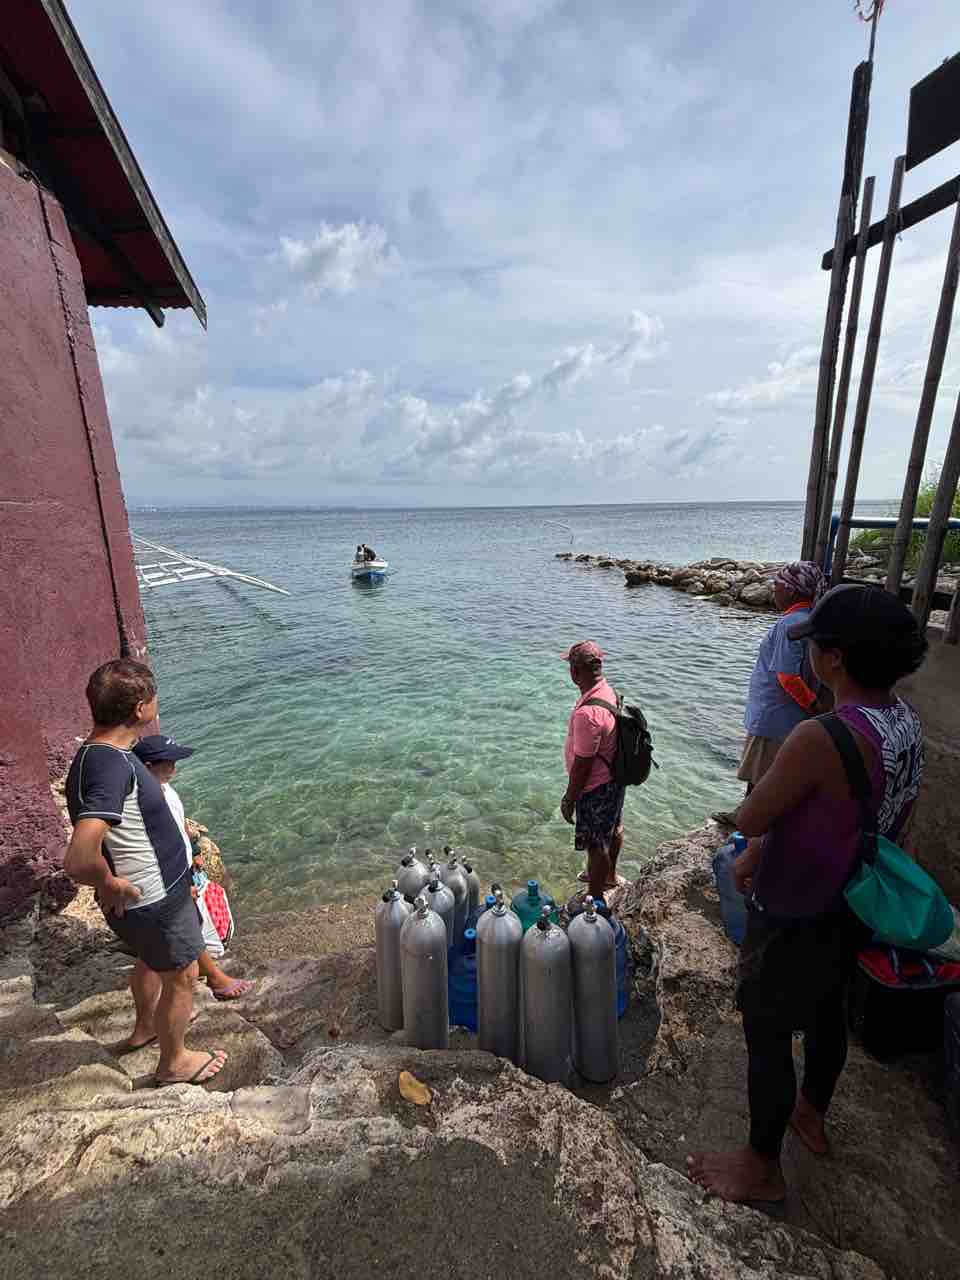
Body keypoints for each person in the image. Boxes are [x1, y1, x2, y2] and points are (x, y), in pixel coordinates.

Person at [688, 584, 926, 1203]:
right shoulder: (904, 723)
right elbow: (860, 810)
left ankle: (761, 1165)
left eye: (814, 645)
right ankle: (811, 1113)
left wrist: (753, 847)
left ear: (835, 659)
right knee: (828, 1011)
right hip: (856, 898)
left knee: (766, 1028)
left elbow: (752, 815)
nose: (809, 653)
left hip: (798, 904)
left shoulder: (822, 736)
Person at [64, 660, 227, 1086]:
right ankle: (175, 1062)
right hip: (155, 901)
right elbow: (78, 857)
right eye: (154, 698)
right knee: (183, 975)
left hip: (147, 900)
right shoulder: (112, 766)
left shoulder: (95, 755)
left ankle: (146, 1028)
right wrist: (106, 880)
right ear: (141, 709)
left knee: (151, 963)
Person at [132, 734, 253, 1002]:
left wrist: (195, 850)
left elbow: (179, 827)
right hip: (170, 878)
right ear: (148, 766)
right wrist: (184, 880)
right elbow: (158, 845)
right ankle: (215, 978)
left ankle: (205, 974)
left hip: (180, 871)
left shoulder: (164, 789)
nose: (175, 768)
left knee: (165, 941)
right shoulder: (144, 800)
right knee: (186, 930)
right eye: (169, 763)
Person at [737, 561, 828, 794]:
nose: (773, 589)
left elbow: (788, 677)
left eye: (777, 584)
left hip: (774, 720)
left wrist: (814, 706)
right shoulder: (809, 619)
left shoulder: (791, 624)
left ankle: (750, 817)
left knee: (760, 784)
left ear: (791, 590)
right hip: (789, 720)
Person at [560, 641, 626, 901]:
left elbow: (582, 767)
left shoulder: (587, 713)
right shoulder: (608, 692)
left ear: (575, 672)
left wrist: (569, 799)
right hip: (614, 780)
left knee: (596, 846)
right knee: (614, 828)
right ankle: (609, 876)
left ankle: (596, 898)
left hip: (595, 788)